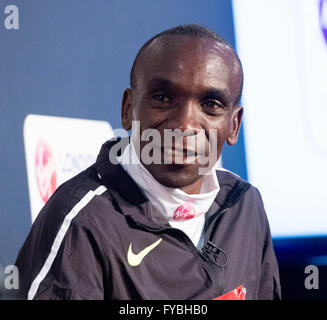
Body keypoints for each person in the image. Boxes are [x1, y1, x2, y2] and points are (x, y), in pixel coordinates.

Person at [15, 24, 281, 300]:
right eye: (163, 98)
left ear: (234, 125)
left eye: (211, 104)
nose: (185, 124)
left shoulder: (244, 205)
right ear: (128, 109)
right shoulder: (82, 222)